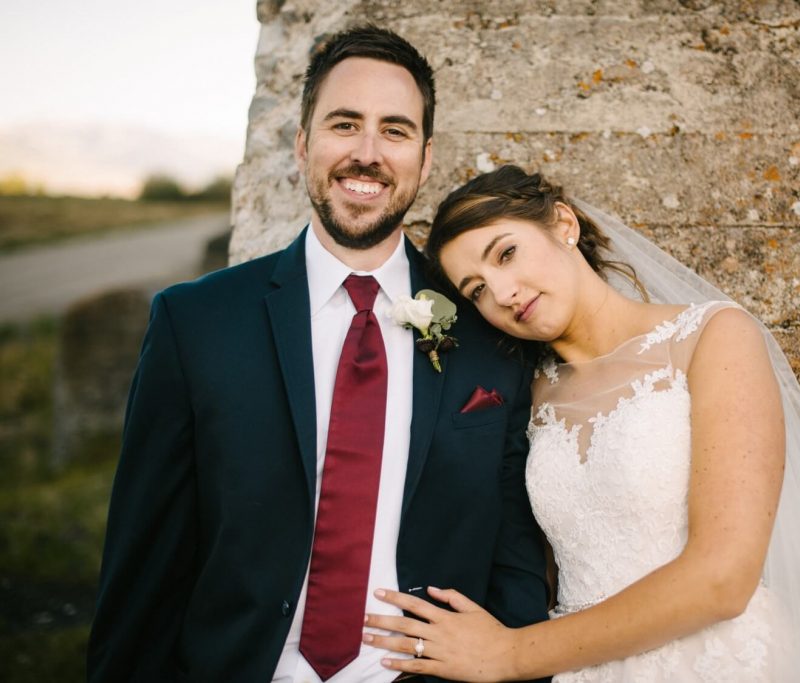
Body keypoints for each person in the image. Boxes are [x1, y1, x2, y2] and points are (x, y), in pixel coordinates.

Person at [86, 29, 550, 683]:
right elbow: (143, 567)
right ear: (303, 144)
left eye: (394, 130)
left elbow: (515, 558)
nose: (367, 153)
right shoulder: (194, 324)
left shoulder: (486, 331)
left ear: (424, 156)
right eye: (344, 124)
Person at [363, 165, 800, 682]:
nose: (503, 294)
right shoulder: (526, 397)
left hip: (718, 661)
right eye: (477, 291)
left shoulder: (713, 338)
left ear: (562, 223)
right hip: (581, 670)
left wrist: (509, 654)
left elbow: (724, 578)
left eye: (506, 254)